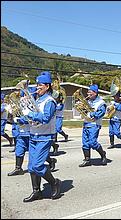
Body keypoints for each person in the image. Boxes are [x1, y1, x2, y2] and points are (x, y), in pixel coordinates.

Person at [21, 71, 61, 202]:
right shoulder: (37, 100)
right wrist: (21, 116)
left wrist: (30, 113)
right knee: (31, 166)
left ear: (47, 86)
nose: (37, 87)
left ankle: (54, 183)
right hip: (34, 135)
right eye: (37, 85)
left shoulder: (50, 101)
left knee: (38, 165)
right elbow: (30, 116)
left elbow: (45, 118)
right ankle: (36, 191)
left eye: (40, 85)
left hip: (45, 136)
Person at [7, 86, 57, 176]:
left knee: (37, 161)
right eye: (22, 96)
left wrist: (27, 115)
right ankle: (19, 169)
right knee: (22, 154)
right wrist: (16, 118)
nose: (23, 98)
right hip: (25, 133)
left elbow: (43, 118)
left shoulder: (44, 102)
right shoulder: (32, 102)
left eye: (25, 96)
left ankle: (53, 173)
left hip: (36, 133)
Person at [78, 84, 107, 167]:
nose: (88, 94)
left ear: (95, 93)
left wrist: (90, 112)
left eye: (90, 93)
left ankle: (103, 155)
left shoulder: (101, 103)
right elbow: (83, 111)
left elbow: (100, 113)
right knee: (85, 143)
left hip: (95, 124)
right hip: (86, 123)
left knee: (92, 142)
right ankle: (87, 159)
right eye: (88, 92)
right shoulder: (88, 101)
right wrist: (81, 107)